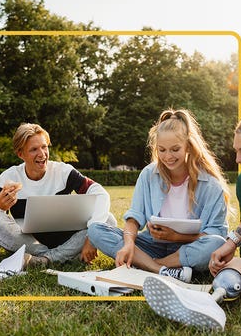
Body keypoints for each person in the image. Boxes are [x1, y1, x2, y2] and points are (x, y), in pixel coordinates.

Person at [143, 111, 241, 330]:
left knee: (239, 263)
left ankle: (207, 301)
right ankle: (207, 302)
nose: (238, 159)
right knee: (230, 274)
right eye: (236, 151)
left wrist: (232, 241)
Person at [88, 109, 230, 283]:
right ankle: (161, 270)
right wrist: (128, 244)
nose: (168, 157)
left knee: (217, 243)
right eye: (162, 150)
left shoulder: (210, 185)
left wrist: (176, 237)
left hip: (189, 248)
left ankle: (150, 265)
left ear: (188, 146)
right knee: (95, 230)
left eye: (175, 149)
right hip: (151, 245)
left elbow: (216, 235)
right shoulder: (148, 174)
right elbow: (134, 217)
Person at [0, 123, 116, 266]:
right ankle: (65, 255)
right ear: (20, 154)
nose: (42, 154)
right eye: (34, 149)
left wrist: (92, 237)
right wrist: (0, 207)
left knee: (108, 220)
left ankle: (45, 260)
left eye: (44, 146)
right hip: (31, 242)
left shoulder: (64, 171)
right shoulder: (8, 177)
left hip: (68, 238)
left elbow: (100, 193)